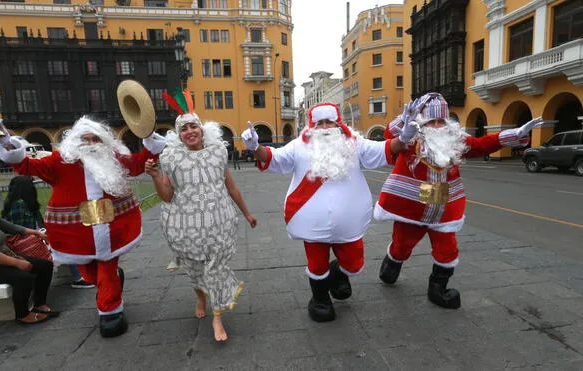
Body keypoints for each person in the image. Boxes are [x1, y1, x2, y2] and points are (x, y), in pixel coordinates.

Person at [0, 116, 166, 337]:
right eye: (85, 139)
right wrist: (7, 143)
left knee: (106, 267)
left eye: (95, 139)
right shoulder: (59, 161)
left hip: (112, 227)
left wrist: (150, 140)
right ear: (75, 141)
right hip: (75, 232)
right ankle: (110, 284)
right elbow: (26, 166)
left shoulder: (114, 158)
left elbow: (138, 164)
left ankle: (110, 313)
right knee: (90, 272)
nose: (90, 144)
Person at [374, 92, 542, 309]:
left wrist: (514, 135)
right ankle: (393, 262)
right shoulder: (409, 138)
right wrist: (403, 121)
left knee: (447, 250)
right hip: (412, 205)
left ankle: (438, 289)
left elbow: (482, 144)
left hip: (443, 206)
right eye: (431, 121)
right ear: (421, 122)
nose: (436, 125)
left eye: (440, 121)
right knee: (402, 244)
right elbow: (390, 136)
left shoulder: (455, 141)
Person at [240, 102, 401, 322]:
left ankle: (336, 276)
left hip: (349, 222)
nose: (325, 127)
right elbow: (274, 158)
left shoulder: (354, 143)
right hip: (311, 222)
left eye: (329, 122)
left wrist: (404, 137)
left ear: (338, 123)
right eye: (320, 123)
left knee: (354, 265)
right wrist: (254, 147)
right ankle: (319, 299)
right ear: (312, 125)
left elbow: (383, 150)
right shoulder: (299, 145)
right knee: (316, 265)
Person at [145, 107, 257, 342]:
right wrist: (155, 176)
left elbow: (231, 186)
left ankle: (217, 316)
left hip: (220, 222)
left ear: (202, 129)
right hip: (185, 226)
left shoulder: (218, 152)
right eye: (183, 129)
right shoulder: (170, 158)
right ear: (178, 135)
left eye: (193, 126)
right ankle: (200, 297)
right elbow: (166, 196)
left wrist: (246, 213)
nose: (189, 132)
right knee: (195, 269)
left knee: (215, 268)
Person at [0, 185, 56, 324]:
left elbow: (11, 227)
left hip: (1, 259)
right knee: (23, 277)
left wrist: (36, 232)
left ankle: (39, 304)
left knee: (45, 265)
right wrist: (18, 263)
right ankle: (22, 314)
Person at [1, 175, 94, 289]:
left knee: (67, 240)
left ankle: (79, 276)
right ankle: (78, 278)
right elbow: (18, 229)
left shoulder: (22, 202)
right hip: (25, 243)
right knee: (67, 244)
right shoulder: (19, 204)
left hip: (31, 239)